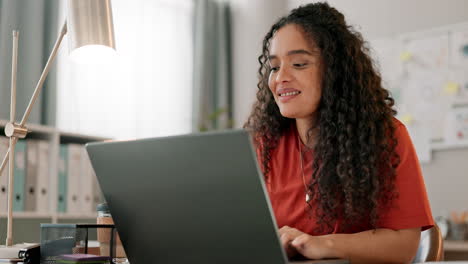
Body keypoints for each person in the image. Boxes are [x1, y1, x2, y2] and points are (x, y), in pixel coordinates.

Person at [244, 2, 434, 263]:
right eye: (274, 67)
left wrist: (324, 244)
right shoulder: (262, 145)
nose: (280, 78)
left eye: (299, 64)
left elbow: (404, 246)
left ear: (335, 71)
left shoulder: (386, 137)